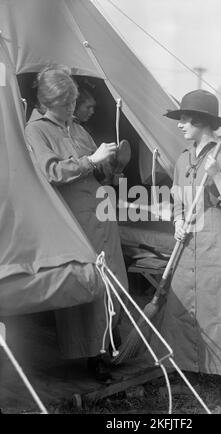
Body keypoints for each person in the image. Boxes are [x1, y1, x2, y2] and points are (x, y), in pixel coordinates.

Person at [25, 66, 128, 382]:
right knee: (88, 287)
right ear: (49, 102)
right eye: (67, 103)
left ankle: (111, 343)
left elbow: (95, 171)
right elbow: (52, 173)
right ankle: (93, 356)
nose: (72, 108)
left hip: (101, 219)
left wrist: (110, 166)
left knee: (114, 282)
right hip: (76, 224)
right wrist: (91, 161)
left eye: (72, 102)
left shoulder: (77, 129)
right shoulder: (36, 131)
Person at [160, 89, 221, 409]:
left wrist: (217, 176)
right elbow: (177, 199)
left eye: (185, 119)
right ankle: (192, 371)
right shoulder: (183, 159)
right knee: (187, 304)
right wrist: (176, 222)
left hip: (220, 238)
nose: (179, 125)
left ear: (202, 121)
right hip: (190, 242)